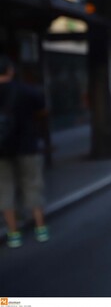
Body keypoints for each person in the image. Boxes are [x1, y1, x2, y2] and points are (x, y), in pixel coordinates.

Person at [0, 55, 49, 248]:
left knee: (4, 190)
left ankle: (13, 234)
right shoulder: (27, 91)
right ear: (11, 70)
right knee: (33, 185)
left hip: (1, 150)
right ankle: (40, 228)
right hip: (28, 146)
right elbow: (43, 112)